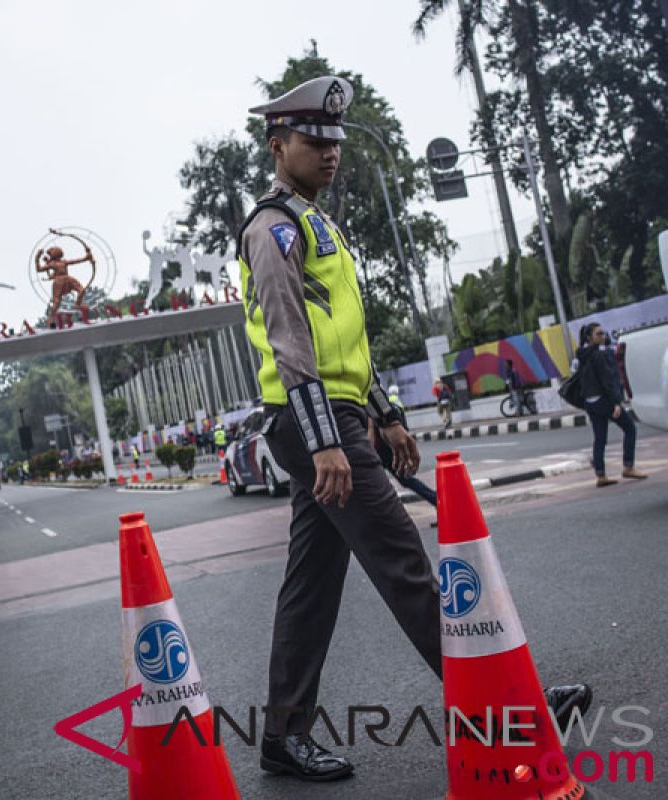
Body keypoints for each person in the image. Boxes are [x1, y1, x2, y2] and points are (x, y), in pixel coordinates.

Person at [239, 76, 590, 782]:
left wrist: (387, 412)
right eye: (314, 142)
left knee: (310, 589)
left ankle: (282, 736)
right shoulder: (273, 229)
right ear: (279, 147)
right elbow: (291, 343)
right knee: (404, 564)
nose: (330, 153)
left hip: (333, 416)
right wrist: (327, 439)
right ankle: (508, 713)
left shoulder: (317, 224)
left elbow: (344, 343)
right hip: (312, 421)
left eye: (335, 142)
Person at [575, 322, 647, 487]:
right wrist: (616, 403)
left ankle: (601, 475)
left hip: (590, 402)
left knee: (600, 439)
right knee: (630, 428)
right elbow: (607, 380)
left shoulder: (582, 355)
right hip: (604, 401)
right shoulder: (598, 355)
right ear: (589, 337)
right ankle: (628, 466)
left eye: (603, 333)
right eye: (598, 334)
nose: (603, 336)